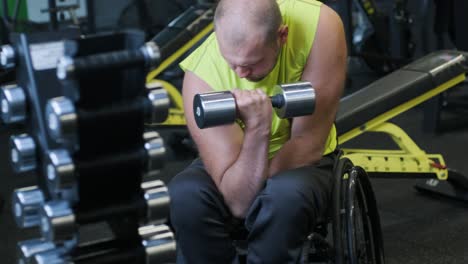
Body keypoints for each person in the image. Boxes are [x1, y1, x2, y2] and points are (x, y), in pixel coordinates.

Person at [168, 0, 347, 263]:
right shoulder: (201, 78)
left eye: (252, 63)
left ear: (281, 36)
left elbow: (307, 142)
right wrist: (258, 129)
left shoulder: (320, 27)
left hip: (306, 161)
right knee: (184, 195)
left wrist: (259, 192)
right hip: (235, 164)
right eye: (231, 62)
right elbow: (239, 202)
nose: (240, 72)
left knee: (283, 198)